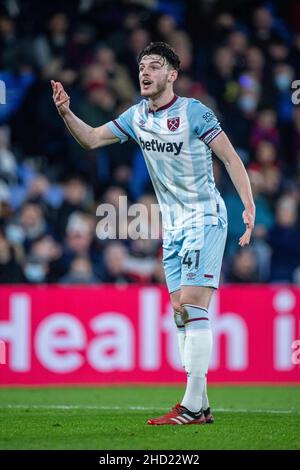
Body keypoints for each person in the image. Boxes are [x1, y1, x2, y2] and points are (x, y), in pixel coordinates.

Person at [51, 42, 255, 425]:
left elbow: (229, 157)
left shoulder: (194, 112)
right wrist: (66, 113)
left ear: (172, 75)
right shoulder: (136, 117)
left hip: (205, 217)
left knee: (193, 307)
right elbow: (92, 138)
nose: (145, 72)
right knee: (180, 314)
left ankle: (192, 406)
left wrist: (247, 203)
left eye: (155, 66)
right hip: (173, 225)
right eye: (142, 65)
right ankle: (202, 404)